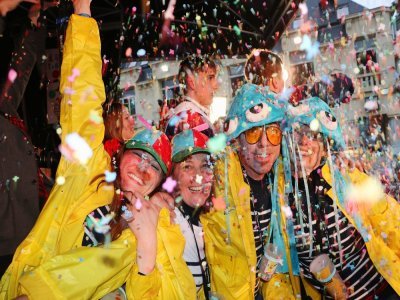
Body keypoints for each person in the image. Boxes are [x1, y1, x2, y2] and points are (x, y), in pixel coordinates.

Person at [200, 83, 310, 299]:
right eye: (252, 133)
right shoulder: (217, 179)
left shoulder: (281, 176)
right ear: (237, 139)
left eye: (272, 132)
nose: (264, 144)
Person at [284, 97, 400, 299]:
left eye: (312, 135)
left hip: (385, 290)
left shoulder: (347, 177)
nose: (304, 141)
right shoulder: (281, 198)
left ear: (323, 145)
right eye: (298, 133)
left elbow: (392, 225)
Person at [129, 128, 214, 299]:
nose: (198, 177)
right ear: (172, 176)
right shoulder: (165, 221)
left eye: (205, 166)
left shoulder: (210, 219)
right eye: (187, 166)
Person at [0, 2, 47, 276]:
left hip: (24, 234)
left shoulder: (3, 105)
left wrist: (33, 23)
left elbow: (21, 67)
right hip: (7, 244)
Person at [163, 54, 219, 138]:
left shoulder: (186, 113)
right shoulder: (191, 118)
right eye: (210, 78)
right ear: (192, 82)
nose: (216, 85)